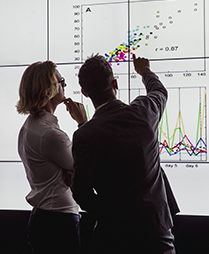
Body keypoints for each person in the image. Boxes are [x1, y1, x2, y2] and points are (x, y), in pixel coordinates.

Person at [67, 54, 179, 254]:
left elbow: (81, 192)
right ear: (115, 83)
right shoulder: (144, 112)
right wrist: (145, 71)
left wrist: (113, 215)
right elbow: (159, 91)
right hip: (156, 232)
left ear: (84, 92)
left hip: (114, 238)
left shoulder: (85, 135)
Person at [16, 61, 87, 254]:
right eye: (60, 81)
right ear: (48, 90)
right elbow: (86, 166)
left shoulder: (30, 127)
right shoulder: (50, 134)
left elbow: (74, 168)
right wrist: (83, 124)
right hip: (58, 223)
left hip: (45, 219)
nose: (64, 85)